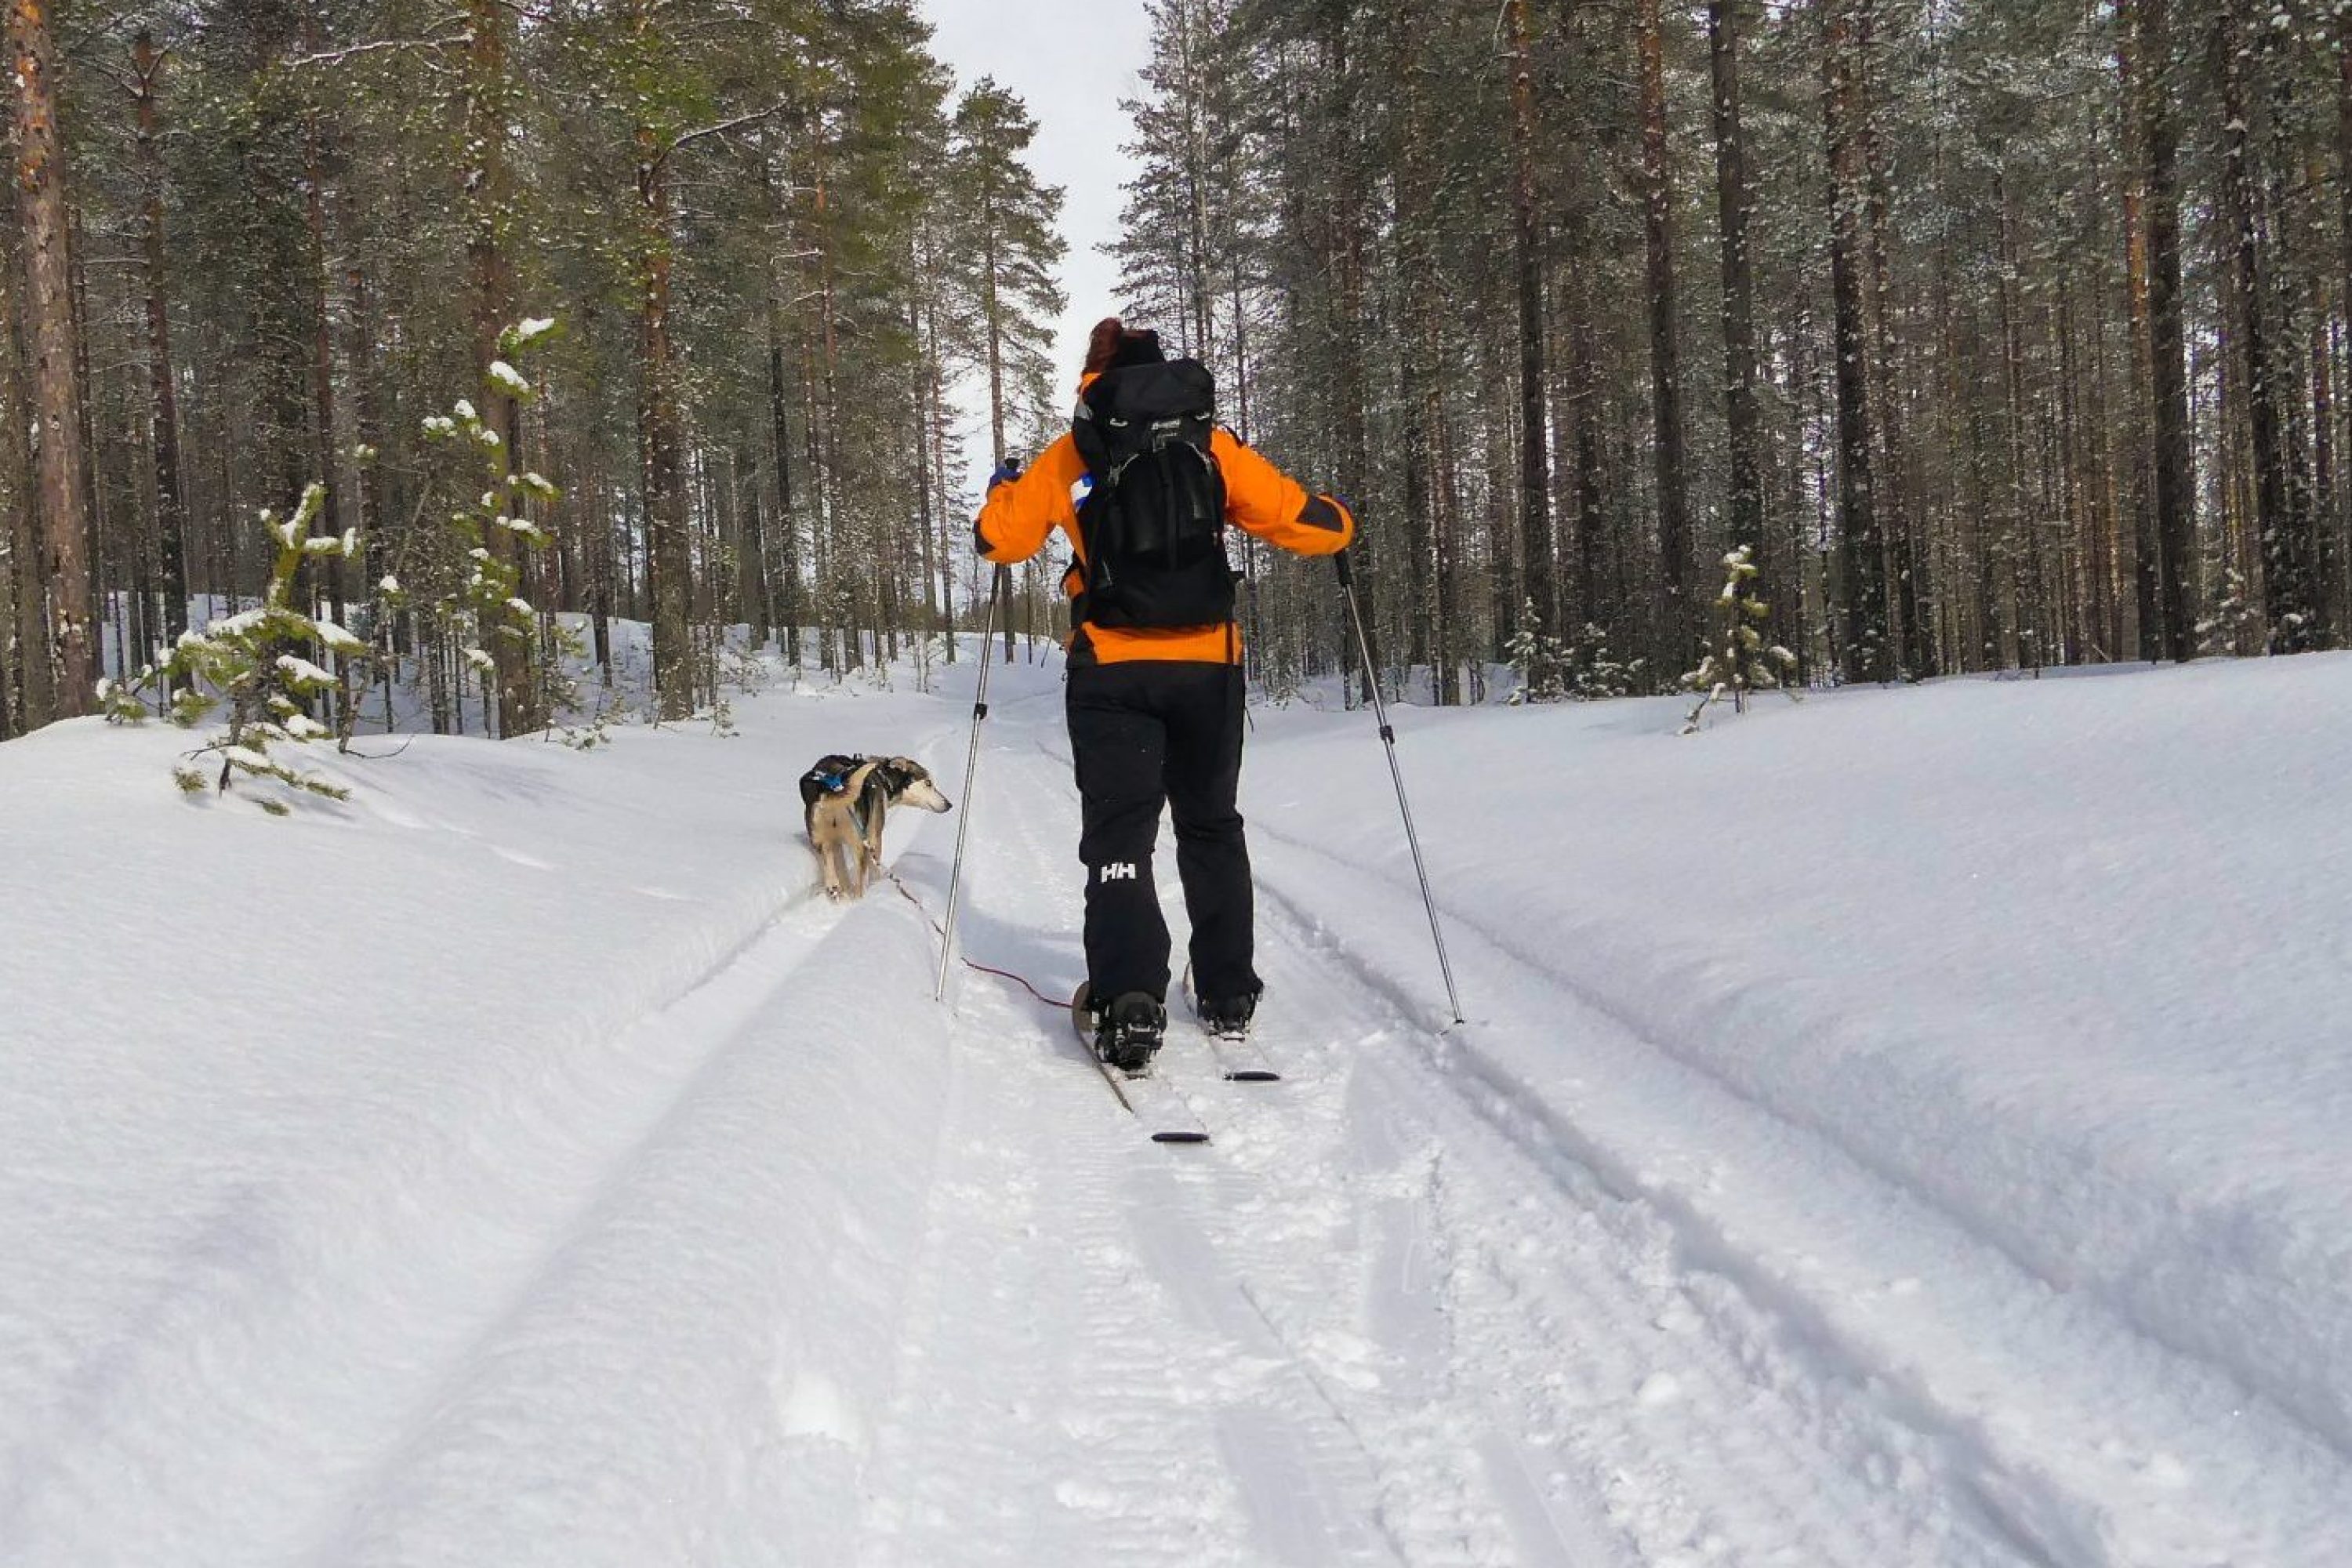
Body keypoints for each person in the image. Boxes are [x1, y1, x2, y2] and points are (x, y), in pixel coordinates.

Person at [973, 318, 1355, 1071]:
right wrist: (1338, 521)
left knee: (1120, 838)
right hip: (1209, 666)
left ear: (1096, 377)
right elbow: (1295, 519)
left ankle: (1129, 998)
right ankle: (1227, 991)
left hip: (1112, 669)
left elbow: (1001, 543)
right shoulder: (1210, 444)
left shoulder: (1073, 451)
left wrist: (1001, 492)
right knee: (1211, 824)